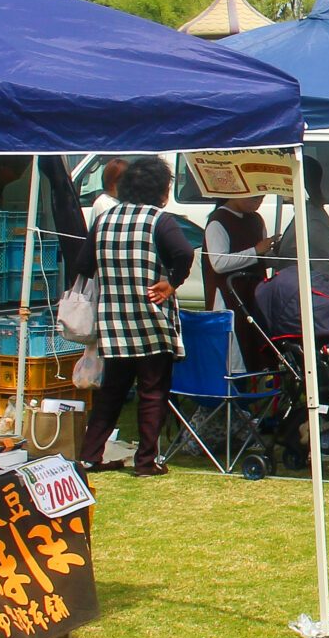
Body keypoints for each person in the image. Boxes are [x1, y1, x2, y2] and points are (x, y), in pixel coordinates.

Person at [77, 155, 196, 478]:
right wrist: (171, 283)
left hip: (113, 320)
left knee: (111, 393)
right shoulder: (160, 220)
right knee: (153, 391)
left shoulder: (104, 220)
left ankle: (89, 456)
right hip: (151, 320)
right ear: (161, 189)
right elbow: (184, 253)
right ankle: (146, 461)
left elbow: (84, 265)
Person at [204, 192, 274, 359]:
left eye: (261, 199)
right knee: (233, 351)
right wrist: (256, 251)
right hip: (228, 292)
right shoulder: (218, 220)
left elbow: (261, 258)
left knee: (255, 345)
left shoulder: (256, 220)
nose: (257, 204)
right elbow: (219, 263)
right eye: (254, 198)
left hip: (253, 291)